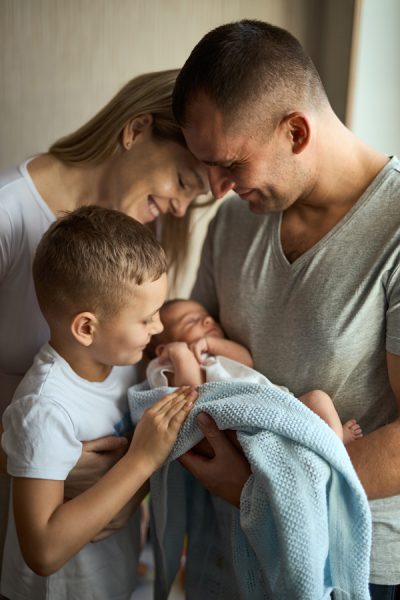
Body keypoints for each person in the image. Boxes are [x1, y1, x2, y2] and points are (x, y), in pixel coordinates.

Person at [170, 19, 400, 598]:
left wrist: (256, 485)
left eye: (230, 164)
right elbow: (193, 353)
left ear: (296, 131)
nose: (217, 188)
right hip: (230, 547)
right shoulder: (234, 219)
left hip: (353, 560)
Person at [0, 68, 209, 592]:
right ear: (136, 130)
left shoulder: (136, 241)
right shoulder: (8, 216)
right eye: (183, 182)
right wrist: (34, 459)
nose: (182, 209)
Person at [1, 206, 198, 600]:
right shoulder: (45, 409)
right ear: (87, 327)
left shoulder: (123, 364)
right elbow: (42, 550)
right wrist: (141, 461)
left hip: (113, 580)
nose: (158, 327)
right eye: (146, 319)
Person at [149, 298, 363, 444]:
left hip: (276, 401)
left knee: (319, 398)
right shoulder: (169, 366)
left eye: (206, 316)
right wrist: (180, 354)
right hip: (246, 419)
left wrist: (211, 343)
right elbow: (192, 391)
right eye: (191, 321)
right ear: (163, 349)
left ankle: (334, 442)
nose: (207, 320)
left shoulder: (217, 355)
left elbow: (246, 360)